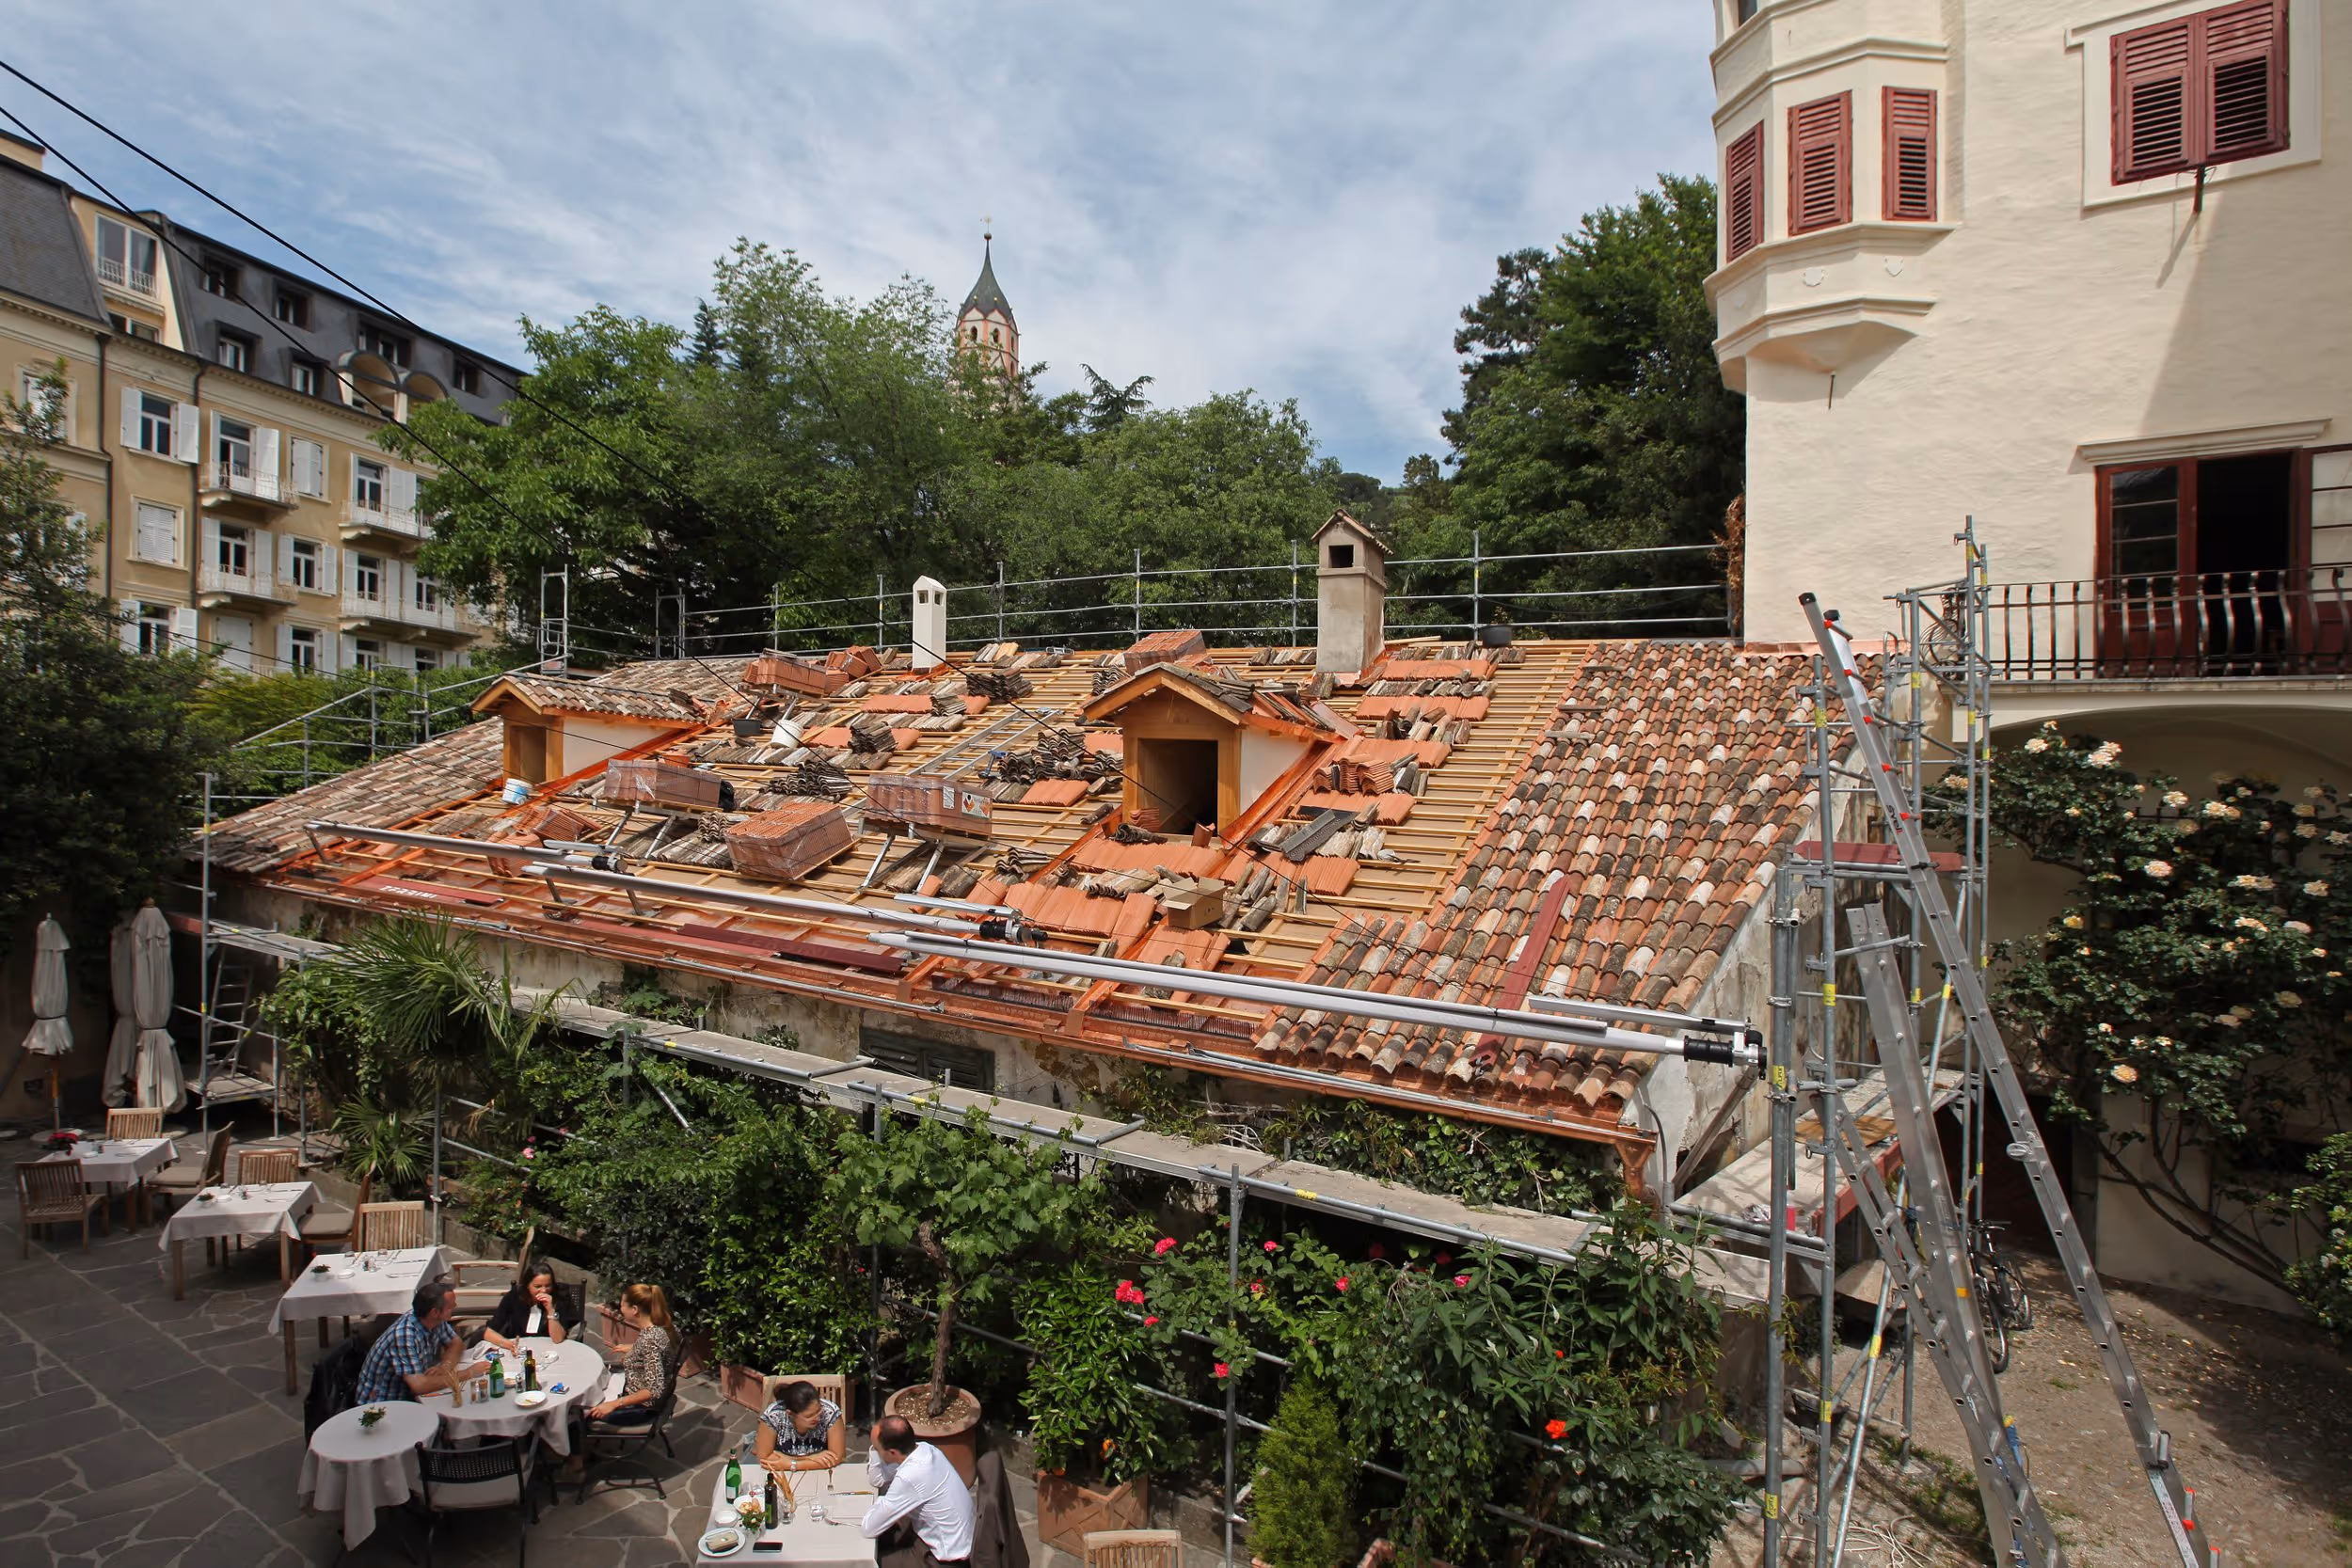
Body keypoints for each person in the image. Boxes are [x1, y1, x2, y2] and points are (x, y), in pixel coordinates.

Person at [862, 1414, 975, 1568]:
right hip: (957, 1540)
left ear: (892, 1452)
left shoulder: (910, 1476)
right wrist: (876, 1449)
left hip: (945, 1560)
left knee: (867, 1562)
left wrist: (882, 1501)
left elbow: (869, 1528)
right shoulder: (926, 1449)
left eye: (876, 1448)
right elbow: (877, 1479)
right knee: (887, 1534)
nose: (875, 1449)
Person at [354, 1280, 463, 1405]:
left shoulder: (434, 1320)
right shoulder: (404, 1335)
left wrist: (446, 1366)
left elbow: (456, 1342)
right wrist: (468, 1373)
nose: (455, 1306)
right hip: (383, 1404)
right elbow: (419, 1386)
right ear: (435, 1312)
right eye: (450, 1307)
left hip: (409, 1395)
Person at [582, 1282, 674, 1429]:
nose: (620, 1309)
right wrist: (634, 1348)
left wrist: (614, 1404)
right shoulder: (660, 1328)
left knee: (582, 1413)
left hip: (641, 1409)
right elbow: (659, 1350)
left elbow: (654, 1389)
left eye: (622, 1306)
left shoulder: (649, 1342)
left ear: (634, 1309)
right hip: (634, 1392)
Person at [479, 1263, 580, 1352]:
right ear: (527, 1285)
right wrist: (509, 1345)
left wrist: (551, 1311)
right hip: (518, 1348)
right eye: (538, 1286)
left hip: (548, 1349)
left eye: (548, 1285)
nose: (544, 1291)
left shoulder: (560, 1297)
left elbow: (558, 1339)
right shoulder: (514, 1297)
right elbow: (489, 1333)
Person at [755, 1379, 846, 1474]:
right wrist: (811, 1458)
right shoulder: (774, 1415)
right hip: (783, 1474)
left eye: (819, 1411)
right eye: (809, 1416)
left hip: (822, 1472)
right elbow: (765, 1457)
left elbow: (837, 1457)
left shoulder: (830, 1412)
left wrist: (792, 1464)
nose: (817, 1418)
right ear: (790, 1414)